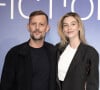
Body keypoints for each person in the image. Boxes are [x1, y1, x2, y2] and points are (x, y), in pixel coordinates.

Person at [0, 10, 57, 90]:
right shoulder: (14, 53)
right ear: (28, 27)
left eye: (41, 24)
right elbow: (5, 86)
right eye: (33, 24)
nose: (37, 28)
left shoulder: (53, 51)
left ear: (47, 28)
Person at [56, 12, 99, 90]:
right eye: (65, 25)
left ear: (79, 27)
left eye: (73, 24)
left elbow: (92, 85)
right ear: (62, 29)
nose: (69, 28)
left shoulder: (90, 53)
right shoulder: (58, 48)